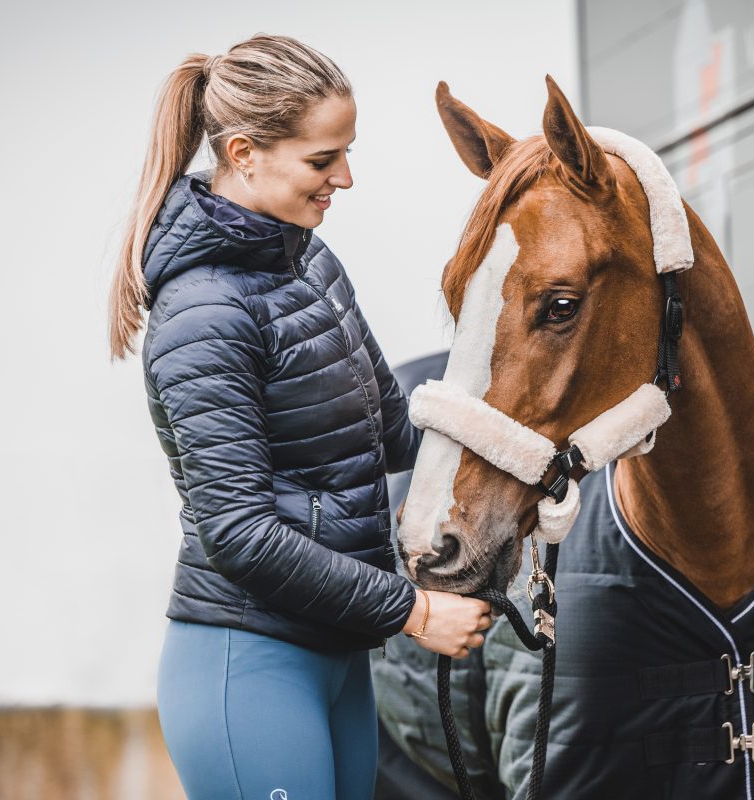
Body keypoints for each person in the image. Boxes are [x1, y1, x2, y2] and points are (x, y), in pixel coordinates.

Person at [107, 34, 491, 800]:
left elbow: (390, 430)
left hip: (341, 655)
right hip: (248, 670)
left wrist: (516, 443)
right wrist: (414, 613)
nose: (344, 178)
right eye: (323, 160)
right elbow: (240, 535)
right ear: (245, 152)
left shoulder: (312, 264)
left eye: (345, 153)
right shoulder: (203, 312)